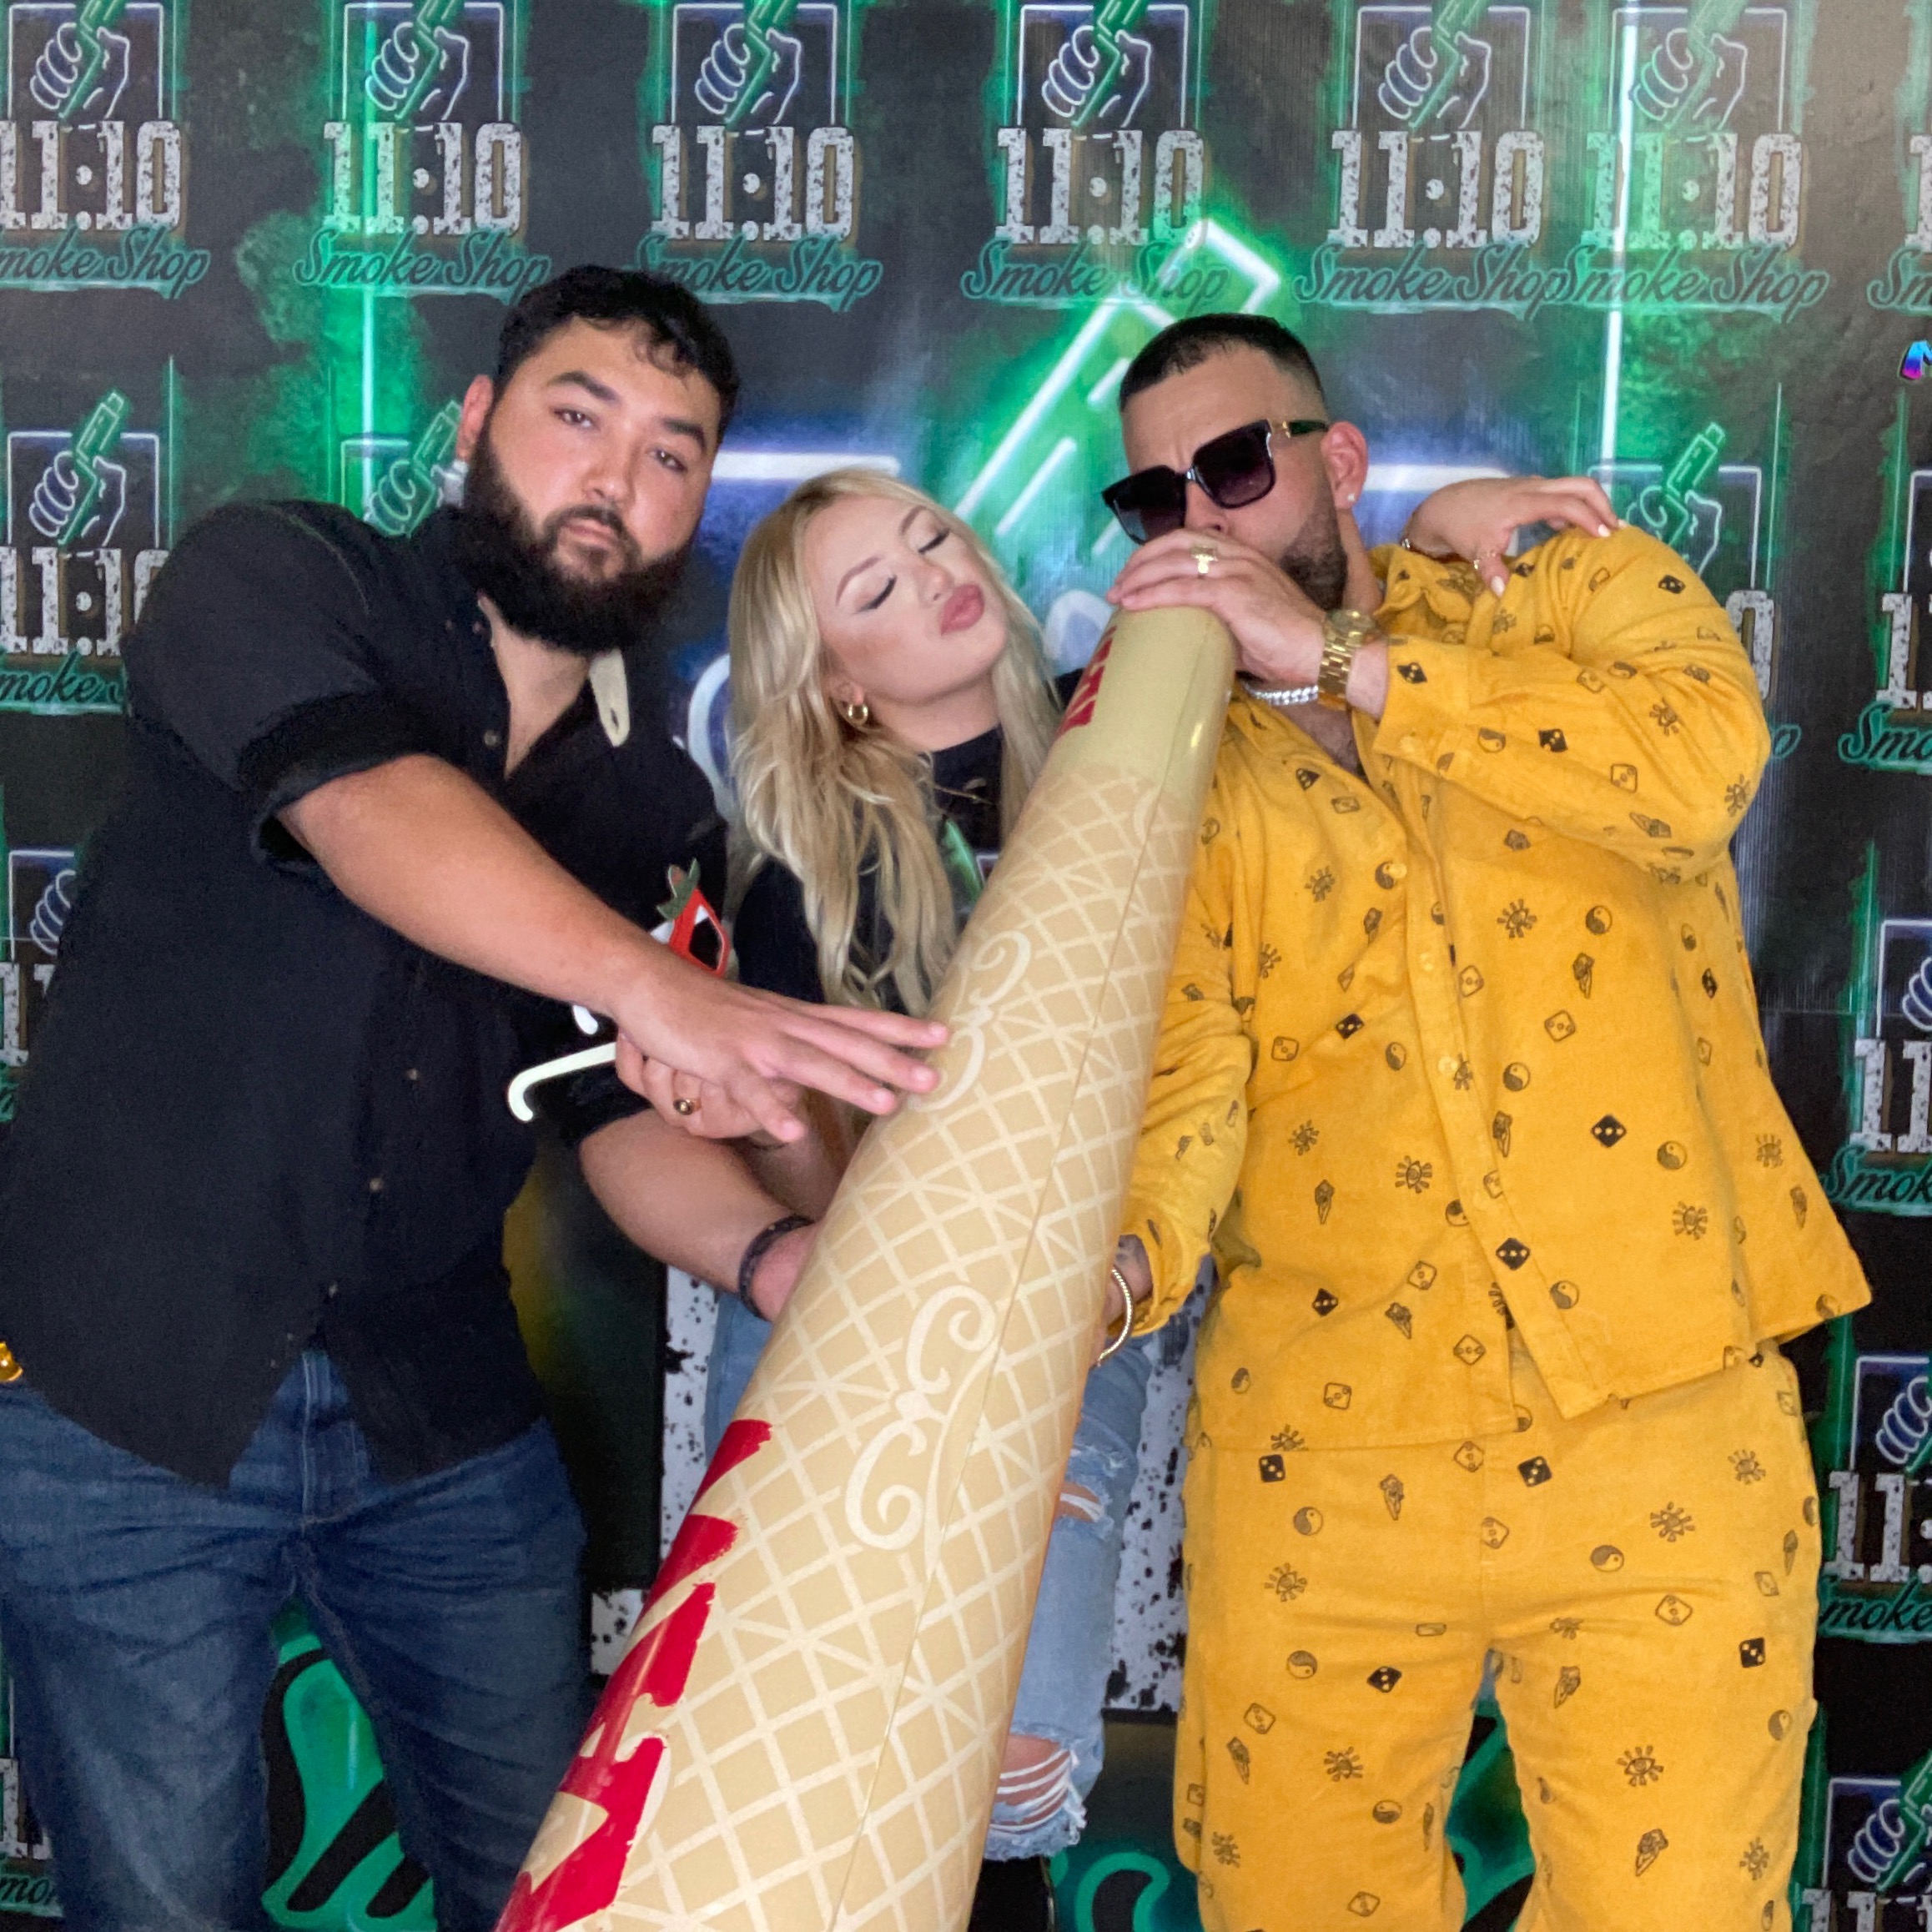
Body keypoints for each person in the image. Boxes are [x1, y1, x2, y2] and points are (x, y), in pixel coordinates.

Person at [0, 268, 943, 1932]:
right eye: (579, 417)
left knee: (561, 1886)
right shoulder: (275, 575)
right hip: (123, 1404)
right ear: (477, 428)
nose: (617, 479)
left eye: (671, 454)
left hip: (439, 1420)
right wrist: (667, 983)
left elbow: (617, 1115)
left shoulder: (649, 793)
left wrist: (775, 1261)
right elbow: (374, 811)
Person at [589, 458, 1607, 1929]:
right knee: (809, 1757)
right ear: (834, 684)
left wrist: (1430, 526)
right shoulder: (795, 872)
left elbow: (1289, 597)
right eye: (876, 588)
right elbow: (833, 1195)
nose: (936, 573)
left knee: (1009, 1757)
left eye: (933, 537)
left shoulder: (1135, 710)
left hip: (1096, 1301)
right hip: (861, 1317)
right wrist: (765, 1113)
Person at [1103, 312, 1871, 1930]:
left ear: (1341, 460)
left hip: (1657, 1416)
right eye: (1158, 499)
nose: (1205, 518)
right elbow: (1182, 1088)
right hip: (1327, 1452)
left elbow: (1695, 766)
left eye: (1236, 465)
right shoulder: (1168, 766)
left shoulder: (1562, 586)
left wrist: (1348, 666)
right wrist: (1111, 1276)